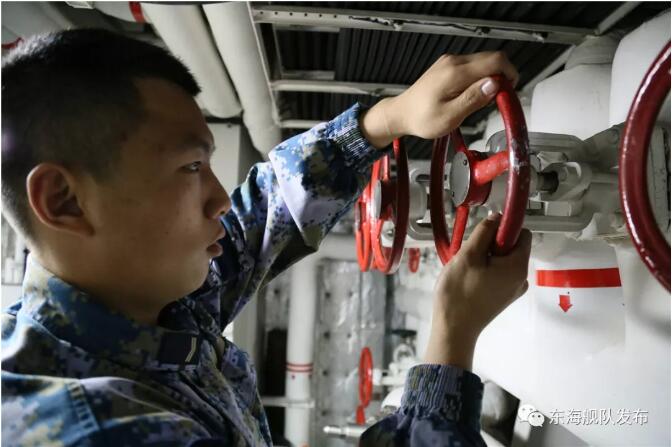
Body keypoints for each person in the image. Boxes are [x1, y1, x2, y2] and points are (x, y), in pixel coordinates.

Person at [1, 29, 530, 446]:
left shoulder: (138, 297)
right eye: (190, 167)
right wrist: (452, 333)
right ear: (64, 201)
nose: (219, 199)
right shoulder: (95, 430)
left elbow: (258, 219)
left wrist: (390, 118)